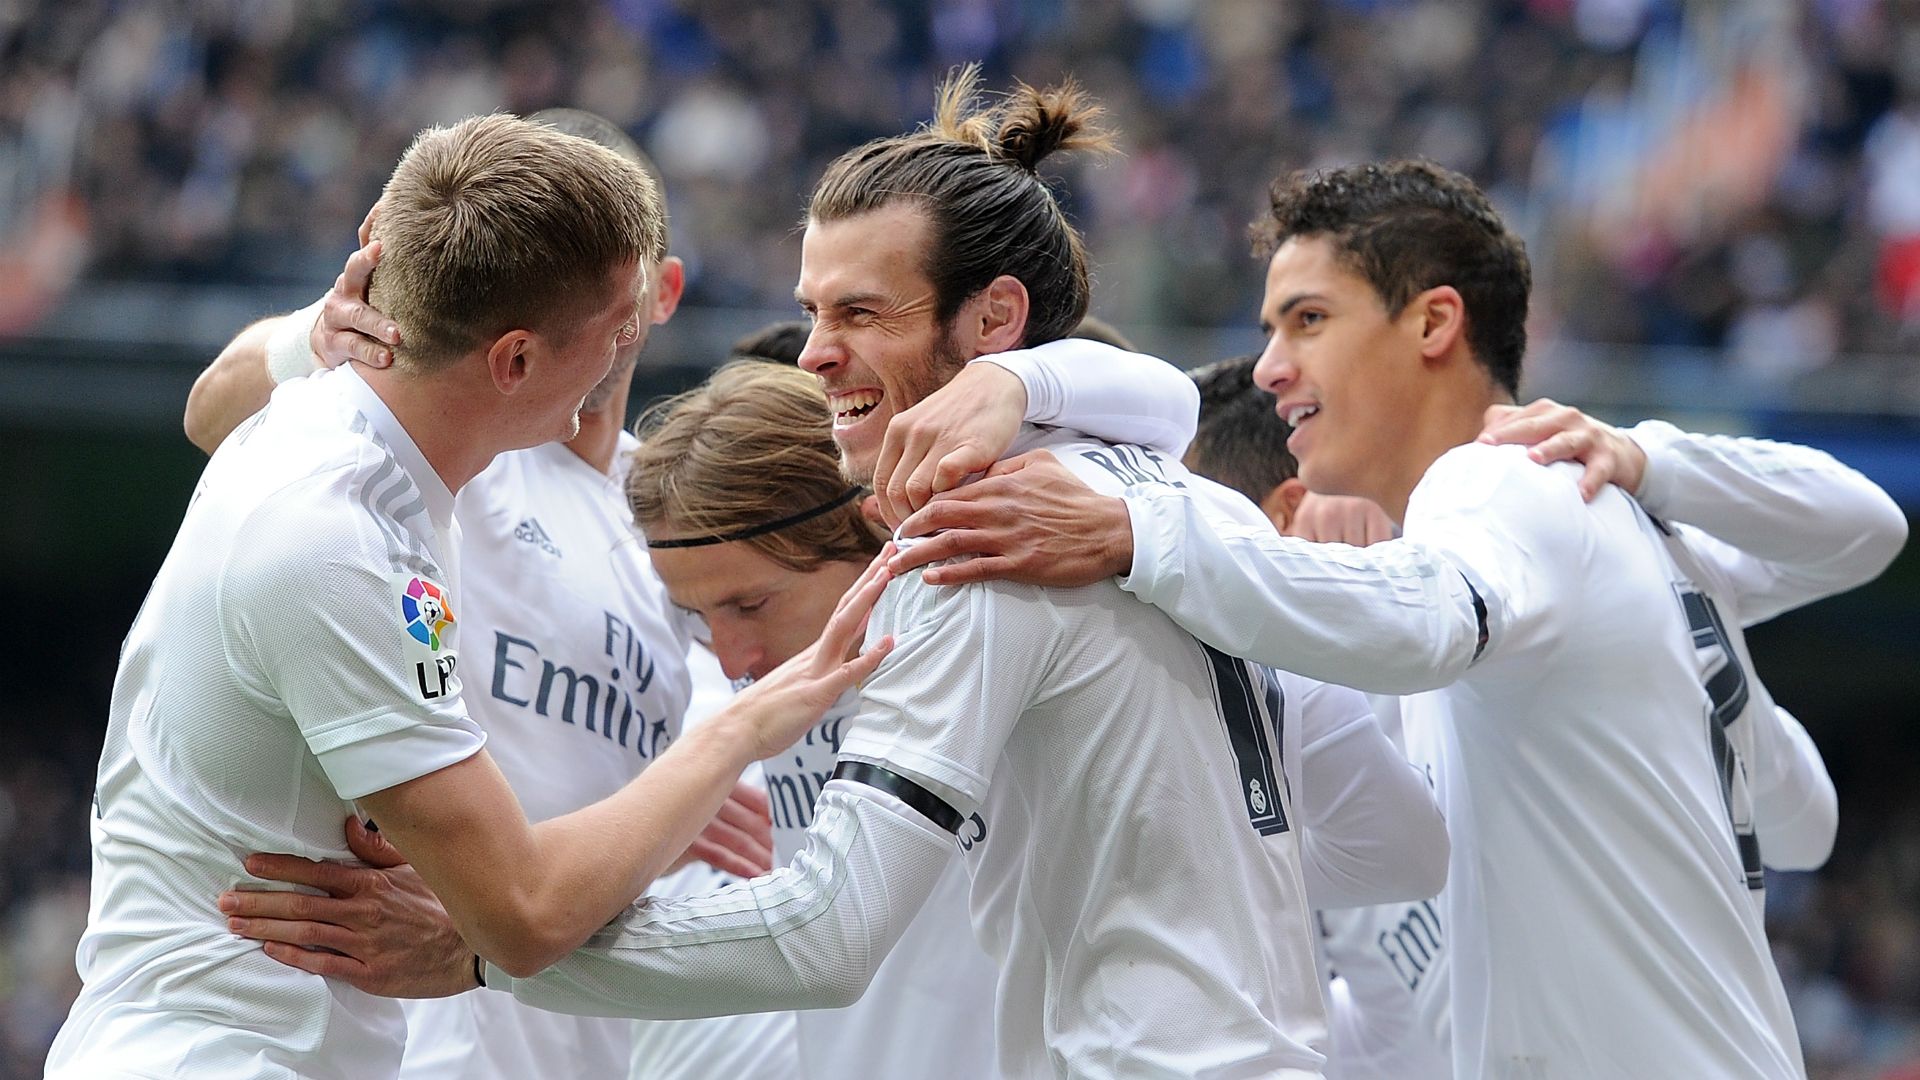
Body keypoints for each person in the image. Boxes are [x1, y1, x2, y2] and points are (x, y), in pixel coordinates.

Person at [355, 73, 1451, 1079]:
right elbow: (1399, 846)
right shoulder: (1188, 508)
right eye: (814, 310)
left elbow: (825, 937)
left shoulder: (975, 547)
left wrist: (488, 955)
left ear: (996, 319)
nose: (814, 353)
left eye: (861, 313)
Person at [879, 159, 1904, 1078]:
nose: (1270, 366)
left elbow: (1425, 625)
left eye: (1307, 320)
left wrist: (1138, 534)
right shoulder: (1636, 540)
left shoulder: (1498, 481)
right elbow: (1805, 814)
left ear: (1432, 324)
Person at [47, 113, 893, 1080]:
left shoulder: (408, 480)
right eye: (613, 325)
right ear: (516, 360)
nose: (630, 347)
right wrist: (737, 734)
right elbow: (522, 913)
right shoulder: (340, 528)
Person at [1180, 354, 1841, 1078]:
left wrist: (1650, 462)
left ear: (1284, 512)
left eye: (1202, 521)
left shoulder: (1507, 602)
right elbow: (1392, 1036)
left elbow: (1809, 825)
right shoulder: (1306, 763)